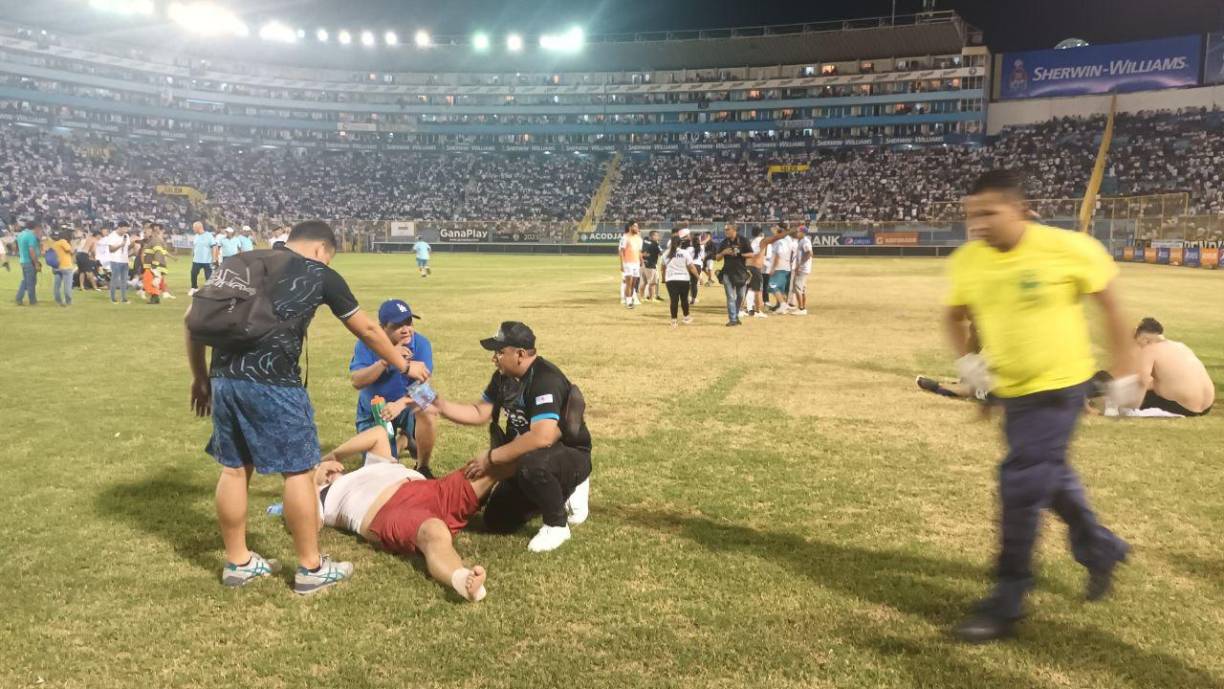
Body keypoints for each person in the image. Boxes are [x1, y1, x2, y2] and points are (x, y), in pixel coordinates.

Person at [186, 220, 431, 595]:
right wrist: (404, 365)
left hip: (224, 379)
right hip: (274, 383)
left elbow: (193, 321)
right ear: (320, 249)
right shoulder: (319, 273)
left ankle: (238, 562)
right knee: (299, 472)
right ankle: (310, 568)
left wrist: (201, 378)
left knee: (234, 470)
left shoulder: (242, 260)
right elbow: (366, 329)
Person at [944, 170, 1138, 643]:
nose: (980, 224)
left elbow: (1111, 308)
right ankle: (1101, 547)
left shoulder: (1068, 248)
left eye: (989, 213)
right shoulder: (969, 261)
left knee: (1021, 482)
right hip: (1014, 392)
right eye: (973, 215)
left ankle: (1007, 597)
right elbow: (959, 315)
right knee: (1050, 478)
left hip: (1061, 389)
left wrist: (1126, 373)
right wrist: (974, 368)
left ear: (1020, 208)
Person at [431, 321, 592, 552]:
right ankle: (555, 492)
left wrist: (491, 457)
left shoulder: (545, 379)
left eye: (499, 352)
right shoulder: (502, 377)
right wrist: (439, 405)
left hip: (569, 453)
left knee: (532, 465)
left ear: (520, 354)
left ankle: (557, 524)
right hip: (530, 455)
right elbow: (480, 412)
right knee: (497, 521)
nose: (494, 358)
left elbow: (542, 437)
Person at [312, 427, 500, 602]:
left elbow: (378, 433)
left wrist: (332, 455)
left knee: (490, 465)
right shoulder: (323, 498)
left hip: (431, 489)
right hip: (390, 509)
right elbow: (309, 524)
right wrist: (313, 482)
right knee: (433, 532)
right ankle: (461, 578)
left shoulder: (370, 465)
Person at [349, 299, 439, 476]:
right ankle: (405, 440)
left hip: (404, 404)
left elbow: (425, 391)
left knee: (429, 407)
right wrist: (386, 360)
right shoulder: (367, 343)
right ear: (382, 328)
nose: (406, 329)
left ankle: (423, 467)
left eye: (409, 322)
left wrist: (401, 404)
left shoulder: (421, 344)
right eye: (398, 325)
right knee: (383, 473)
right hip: (375, 410)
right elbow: (357, 381)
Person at [1131, 317, 1214, 416]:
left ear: (1145, 339)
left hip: (1183, 407)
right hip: (1207, 406)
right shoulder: (1181, 346)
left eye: (1138, 343)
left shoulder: (1149, 350)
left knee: (1135, 395)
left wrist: (1134, 406)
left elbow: (1142, 382)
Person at [714, 223, 755, 327]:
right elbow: (717, 258)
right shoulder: (724, 243)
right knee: (730, 297)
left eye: (727, 229)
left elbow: (751, 254)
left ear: (734, 230)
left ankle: (735, 315)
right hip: (727, 273)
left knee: (741, 296)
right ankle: (732, 319)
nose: (725, 231)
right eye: (725, 229)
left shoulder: (743, 240)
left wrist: (739, 254)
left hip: (741, 272)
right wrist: (723, 253)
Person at [662, 229, 698, 326]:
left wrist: (663, 279)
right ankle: (686, 317)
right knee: (684, 300)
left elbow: (663, 268)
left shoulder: (665, 253)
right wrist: (698, 277)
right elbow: (691, 266)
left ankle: (674, 321)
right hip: (683, 279)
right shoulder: (685, 253)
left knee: (673, 300)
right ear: (680, 243)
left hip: (671, 279)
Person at [767, 223, 796, 314]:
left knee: (772, 285)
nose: (773, 230)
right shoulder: (788, 240)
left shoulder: (780, 241)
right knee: (781, 288)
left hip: (780, 267)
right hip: (786, 266)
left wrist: (773, 268)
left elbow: (778, 255)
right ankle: (781, 306)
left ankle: (783, 304)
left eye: (775, 228)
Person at [14, 220, 42, 306]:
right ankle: (32, 301)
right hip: (30, 262)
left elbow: (16, 247)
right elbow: (31, 250)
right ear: (36, 227)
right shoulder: (31, 236)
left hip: (23, 260)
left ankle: (19, 298)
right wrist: (36, 263)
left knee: (26, 281)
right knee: (31, 282)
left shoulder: (20, 234)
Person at [789, 227, 813, 316]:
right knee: (802, 289)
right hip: (803, 268)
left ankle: (801, 309)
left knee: (798, 288)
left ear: (803, 233)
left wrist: (799, 265)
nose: (797, 233)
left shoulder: (805, 241)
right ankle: (802, 307)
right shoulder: (802, 240)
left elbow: (809, 253)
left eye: (798, 232)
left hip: (802, 268)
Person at [189, 221, 219, 292]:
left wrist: (214, 258)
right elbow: (195, 247)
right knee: (193, 274)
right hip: (196, 260)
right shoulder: (196, 236)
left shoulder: (209, 235)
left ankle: (209, 290)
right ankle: (194, 288)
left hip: (207, 260)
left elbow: (214, 247)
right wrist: (193, 254)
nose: (193, 229)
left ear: (199, 227)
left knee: (208, 277)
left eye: (194, 227)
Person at [107, 221, 132, 304]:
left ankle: (124, 298)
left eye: (127, 229)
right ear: (119, 227)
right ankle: (112, 298)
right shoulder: (112, 236)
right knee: (115, 280)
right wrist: (121, 245)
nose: (126, 231)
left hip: (125, 261)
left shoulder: (126, 236)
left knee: (124, 280)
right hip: (115, 261)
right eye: (124, 229)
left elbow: (127, 248)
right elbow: (111, 250)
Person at [619, 221, 642, 309]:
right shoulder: (625, 238)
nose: (637, 228)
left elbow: (639, 251)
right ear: (630, 227)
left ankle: (630, 298)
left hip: (636, 263)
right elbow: (621, 251)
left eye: (637, 227)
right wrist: (622, 264)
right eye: (635, 227)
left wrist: (641, 261)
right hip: (628, 263)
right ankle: (628, 302)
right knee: (629, 283)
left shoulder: (639, 239)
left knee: (634, 284)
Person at [50, 229, 76, 307]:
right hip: (66, 266)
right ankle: (68, 301)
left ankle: (58, 300)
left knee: (56, 286)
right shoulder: (63, 242)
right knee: (67, 286)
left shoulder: (55, 244)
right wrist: (73, 244)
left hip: (57, 267)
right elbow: (71, 251)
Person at [746, 227, 768, 318]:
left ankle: (749, 309)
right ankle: (758, 311)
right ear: (761, 233)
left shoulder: (754, 241)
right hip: (754, 268)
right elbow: (754, 254)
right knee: (758, 290)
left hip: (751, 267)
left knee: (750, 289)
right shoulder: (760, 241)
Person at [638, 229, 663, 302]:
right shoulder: (655, 243)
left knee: (644, 282)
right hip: (651, 265)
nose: (658, 237)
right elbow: (661, 253)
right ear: (653, 236)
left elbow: (641, 252)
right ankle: (652, 298)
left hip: (643, 264)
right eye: (657, 235)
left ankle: (641, 297)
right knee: (653, 283)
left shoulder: (644, 242)